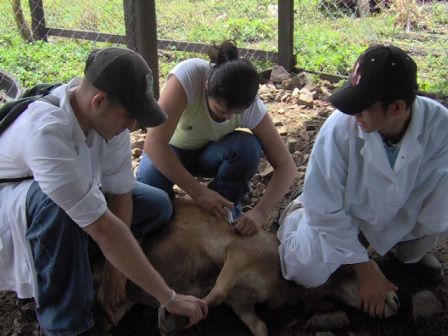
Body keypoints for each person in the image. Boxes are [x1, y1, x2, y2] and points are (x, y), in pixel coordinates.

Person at [0, 47, 207, 336]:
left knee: (158, 204)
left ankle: (81, 259)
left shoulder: (108, 123)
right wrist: (168, 297)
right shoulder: (47, 131)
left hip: (79, 196)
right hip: (14, 209)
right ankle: (66, 323)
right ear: (98, 101)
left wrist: (115, 269)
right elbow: (103, 228)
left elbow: (121, 191)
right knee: (58, 209)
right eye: (128, 117)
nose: (132, 127)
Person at [277, 45, 448, 318]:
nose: (353, 114)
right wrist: (364, 267)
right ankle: (297, 212)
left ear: (397, 107)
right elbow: (323, 208)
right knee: (304, 269)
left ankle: (405, 251)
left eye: (362, 108)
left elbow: (433, 193)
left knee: (441, 208)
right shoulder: (339, 128)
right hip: (344, 206)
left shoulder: (439, 125)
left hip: (397, 206)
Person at [137, 41, 296, 235]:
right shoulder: (189, 76)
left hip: (210, 153)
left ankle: (224, 208)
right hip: (170, 150)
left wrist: (260, 213)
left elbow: (286, 166)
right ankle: (176, 215)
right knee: (148, 199)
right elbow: (154, 143)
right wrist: (198, 192)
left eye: (234, 113)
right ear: (206, 87)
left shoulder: (252, 107)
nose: (228, 117)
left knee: (248, 147)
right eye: (221, 110)